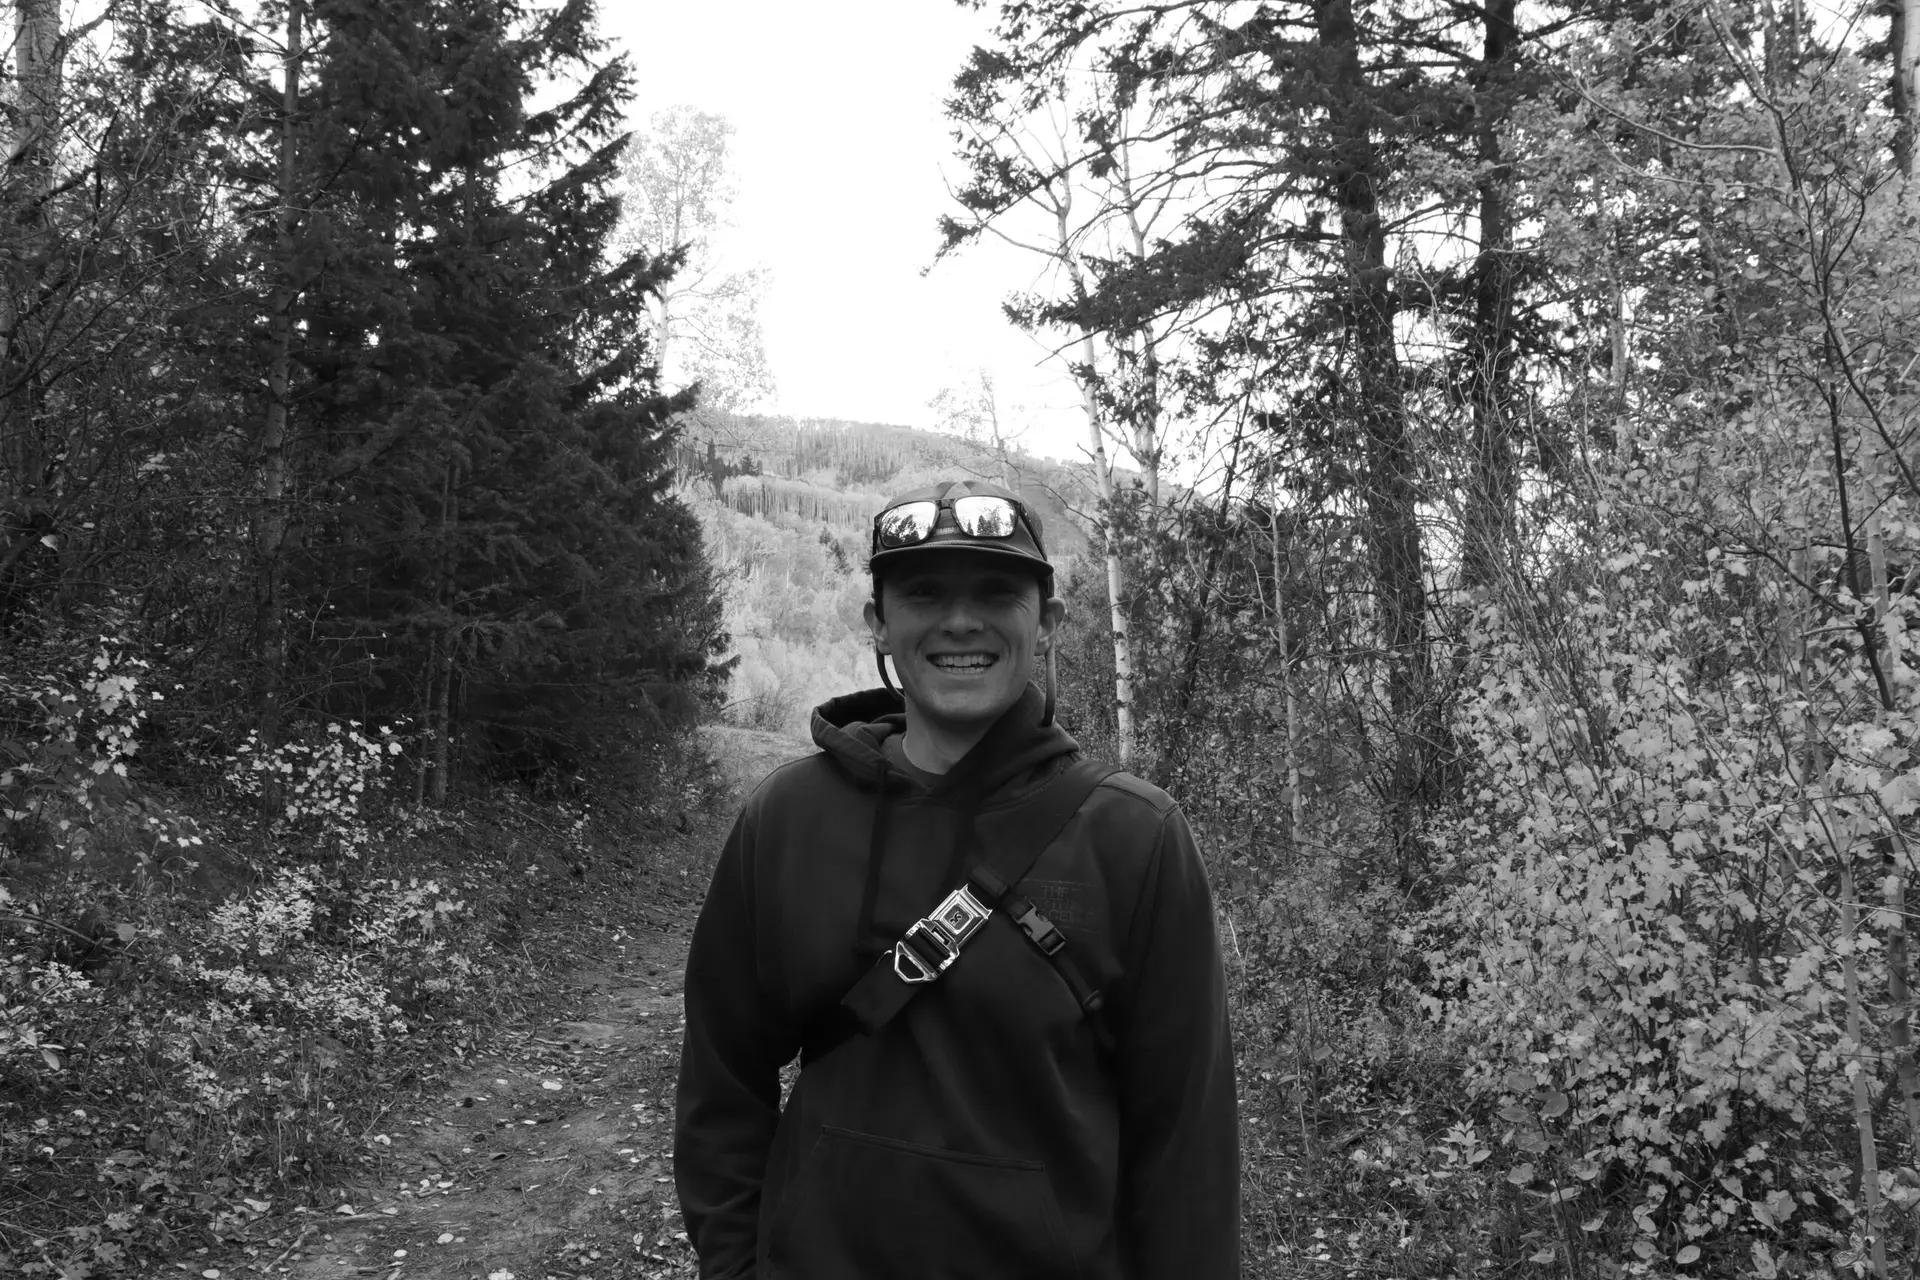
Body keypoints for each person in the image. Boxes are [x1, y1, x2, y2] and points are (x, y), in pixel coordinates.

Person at [674, 478, 1239, 1279]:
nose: (960, 621)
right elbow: (720, 1085)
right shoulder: (788, 817)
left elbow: (1188, 1146)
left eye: (997, 592)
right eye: (924, 592)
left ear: (1047, 621)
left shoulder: (1135, 839)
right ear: (879, 622)